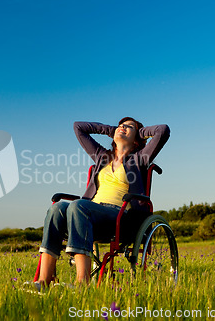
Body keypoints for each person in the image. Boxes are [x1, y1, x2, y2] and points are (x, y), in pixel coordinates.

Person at [35, 117, 170, 288]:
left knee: (78, 205)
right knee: (58, 208)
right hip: (90, 212)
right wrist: (112, 129)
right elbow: (79, 128)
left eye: (129, 127)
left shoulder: (139, 158)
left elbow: (163, 131)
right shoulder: (101, 156)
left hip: (120, 216)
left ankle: (82, 283)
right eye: (121, 125)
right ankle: (44, 280)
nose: (123, 128)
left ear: (137, 141)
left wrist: (139, 132)